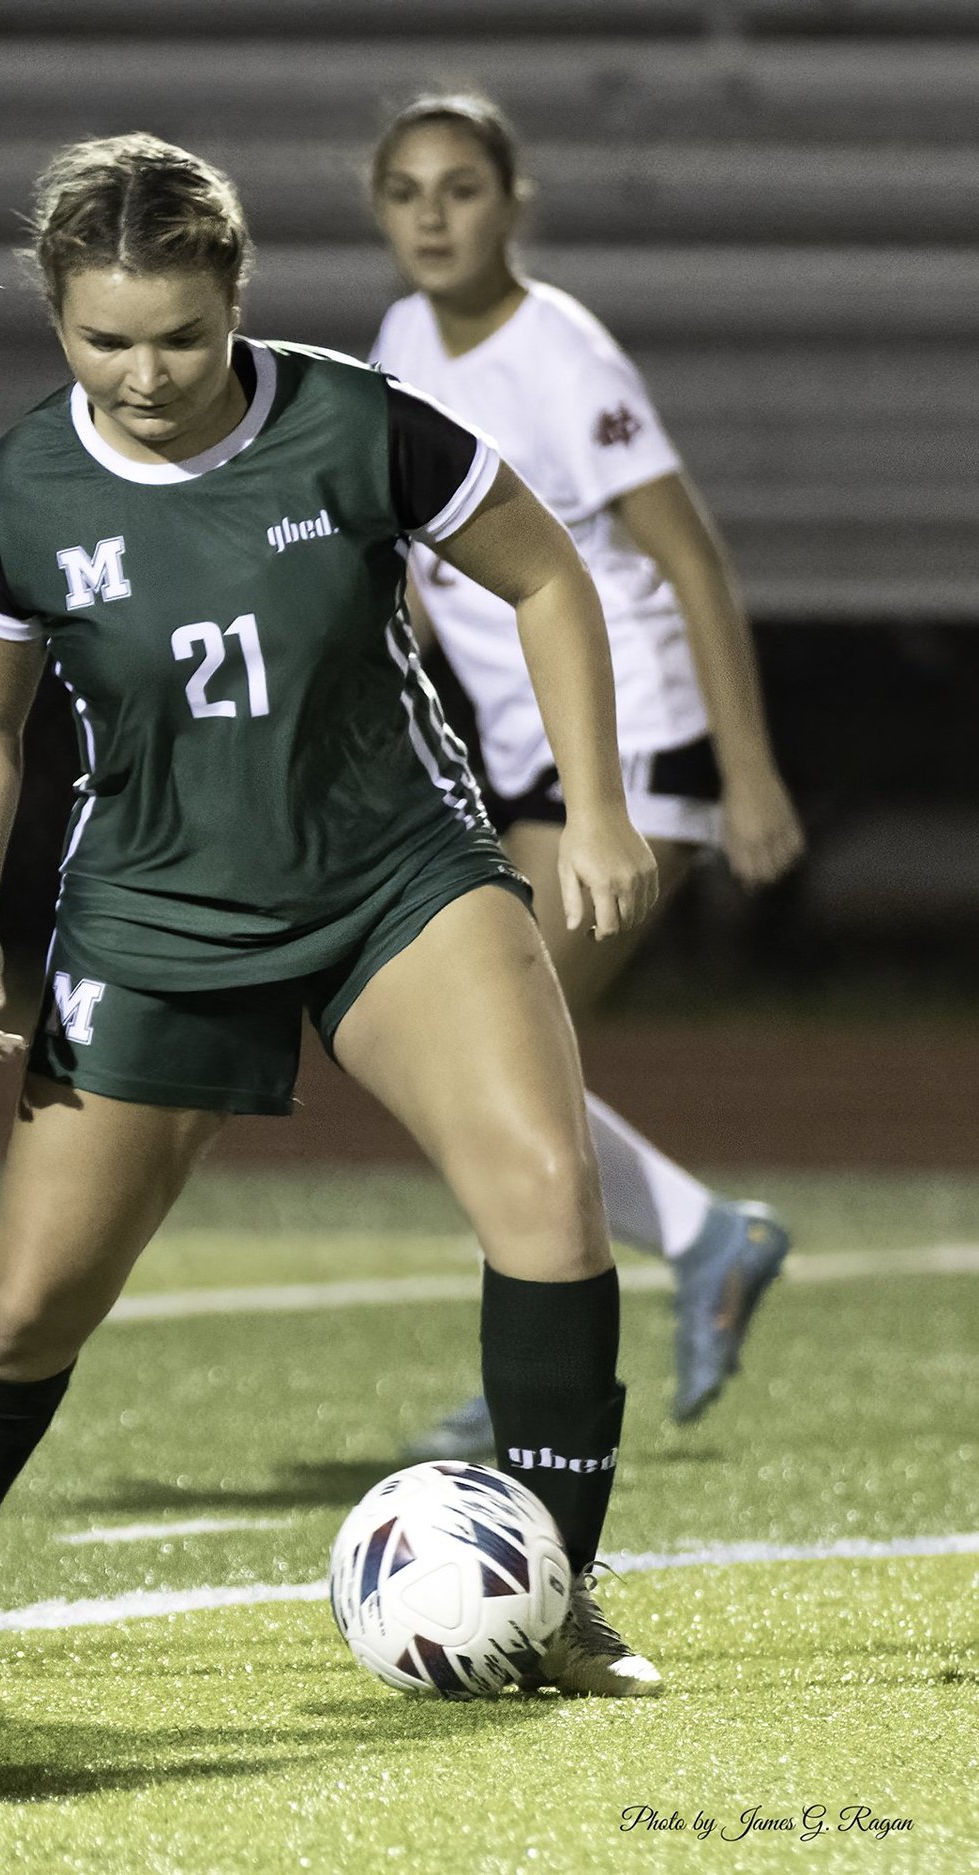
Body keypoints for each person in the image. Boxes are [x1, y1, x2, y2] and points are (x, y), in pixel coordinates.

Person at [0, 133, 665, 1698]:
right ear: (56, 315)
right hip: (155, 915)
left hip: (396, 875)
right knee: (26, 1302)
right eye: (105, 339)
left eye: (181, 336)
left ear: (236, 297)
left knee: (546, 1194)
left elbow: (548, 576)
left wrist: (596, 803)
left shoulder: (357, 425)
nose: (146, 374)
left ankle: (555, 1595)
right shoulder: (24, 489)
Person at [367, 95, 806, 1460]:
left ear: (514, 202)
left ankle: (547, 1369)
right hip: (526, 761)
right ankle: (703, 1237)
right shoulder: (398, 341)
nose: (434, 215)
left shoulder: (560, 352)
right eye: (406, 191)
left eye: (461, 187)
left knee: (490, 1059)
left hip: (633, 746)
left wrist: (747, 770)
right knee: (485, 1060)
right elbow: (424, 569)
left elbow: (691, 559)